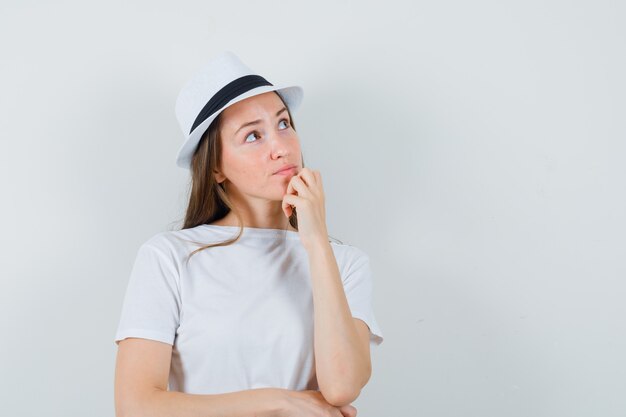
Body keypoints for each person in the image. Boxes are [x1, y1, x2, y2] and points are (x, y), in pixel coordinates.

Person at [113, 51, 384, 417]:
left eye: (284, 124)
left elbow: (341, 386)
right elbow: (136, 406)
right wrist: (279, 402)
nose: (280, 148)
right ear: (215, 169)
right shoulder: (169, 257)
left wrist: (317, 241)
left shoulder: (346, 263)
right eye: (253, 135)